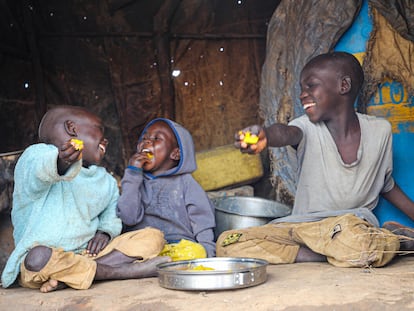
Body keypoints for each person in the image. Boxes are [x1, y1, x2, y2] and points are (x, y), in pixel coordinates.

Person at [216, 51, 414, 268]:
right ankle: (325, 255)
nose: (303, 94)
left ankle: (394, 242)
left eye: (311, 86)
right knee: (229, 242)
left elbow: (384, 184)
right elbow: (285, 133)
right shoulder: (306, 128)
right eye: (302, 88)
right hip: (302, 228)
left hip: (347, 227)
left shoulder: (379, 131)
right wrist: (264, 134)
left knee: (358, 244)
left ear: (343, 86)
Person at [1, 105, 170, 292]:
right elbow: (41, 170)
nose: (106, 139)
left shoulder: (105, 180)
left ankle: (74, 276)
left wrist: (104, 232)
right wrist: (61, 162)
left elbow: (111, 213)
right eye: (100, 129)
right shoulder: (36, 155)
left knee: (153, 237)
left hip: (89, 255)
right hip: (45, 261)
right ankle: (122, 272)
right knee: (37, 258)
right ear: (72, 129)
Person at [116, 118, 216, 260]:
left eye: (156, 138)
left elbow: (202, 220)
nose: (147, 142)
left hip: (178, 247)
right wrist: (132, 173)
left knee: (197, 252)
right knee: (120, 249)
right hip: (142, 248)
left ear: (175, 154)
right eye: (144, 138)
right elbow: (128, 217)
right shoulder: (135, 181)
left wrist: (207, 251)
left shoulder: (186, 183)